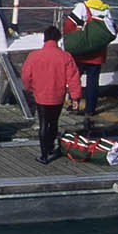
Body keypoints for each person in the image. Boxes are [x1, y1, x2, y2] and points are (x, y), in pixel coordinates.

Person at [21, 26, 82, 164]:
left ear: (45, 38)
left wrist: (31, 88)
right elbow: (73, 79)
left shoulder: (34, 56)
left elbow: (25, 75)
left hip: (40, 95)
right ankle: (50, 147)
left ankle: (43, 155)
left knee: (43, 123)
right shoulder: (66, 56)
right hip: (58, 96)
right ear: (58, 39)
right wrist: (75, 97)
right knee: (54, 122)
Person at [62, 0, 116, 118]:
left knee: (75, 80)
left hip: (81, 52)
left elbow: (68, 25)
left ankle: (74, 104)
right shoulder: (106, 10)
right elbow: (110, 31)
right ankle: (90, 109)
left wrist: (73, 39)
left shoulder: (82, 7)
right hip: (98, 54)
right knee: (93, 83)